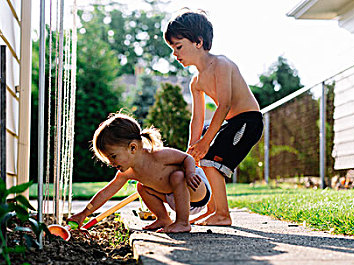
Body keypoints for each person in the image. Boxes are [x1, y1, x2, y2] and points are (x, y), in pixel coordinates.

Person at [164, 9, 263, 226]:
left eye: (178, 47)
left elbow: (224, 104)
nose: (175, 54)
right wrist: (191, 150)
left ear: (198, 42)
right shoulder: (196, 82)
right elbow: (197, 119)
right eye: (172, 49)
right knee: (204, 156)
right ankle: (212, 210)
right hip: (231, 123)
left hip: (248, 121)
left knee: (211, 160)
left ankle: (223, 214)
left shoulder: (221, 64)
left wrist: (205, 142)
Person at [67, 113, 211, 233]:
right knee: (141, 187)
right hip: (174, 198)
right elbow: (106, 193)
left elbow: (188, 158)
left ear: (133, 148)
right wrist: (84, 214)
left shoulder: (158, 155)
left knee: (177, 176)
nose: (111, 163)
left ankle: (183, 223)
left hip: (196, 190)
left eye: (113, 156)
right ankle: (163, 218)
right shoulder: (128, 173)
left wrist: (191, 173)